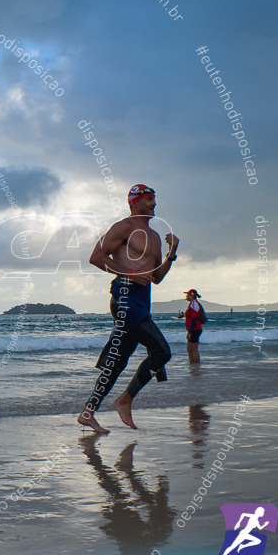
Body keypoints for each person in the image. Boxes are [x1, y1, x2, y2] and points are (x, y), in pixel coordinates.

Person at [78, 184, 179, 434]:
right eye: (149, 200)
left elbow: (156, 277)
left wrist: (172, 254)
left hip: (143, 300)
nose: (154, 204)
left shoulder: (155, 237)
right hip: (124, 295)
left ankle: (88, 413)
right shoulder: (124, 227)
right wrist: (131, 274)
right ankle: (124, 400)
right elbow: (97, 257)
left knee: (117, 362)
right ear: (135, 203)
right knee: (162, 351)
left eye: (155, 199)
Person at [183, 289, 204, 364]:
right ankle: (192, 365)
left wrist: (190, 332)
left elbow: (194, 318)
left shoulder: (194, 304)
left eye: (187, 295)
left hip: (195, 329)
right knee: (189, 349)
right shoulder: (192, 304)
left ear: (191, 295)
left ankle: (196, 366)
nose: (186, 296)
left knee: (193, 348)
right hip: (194, 329)